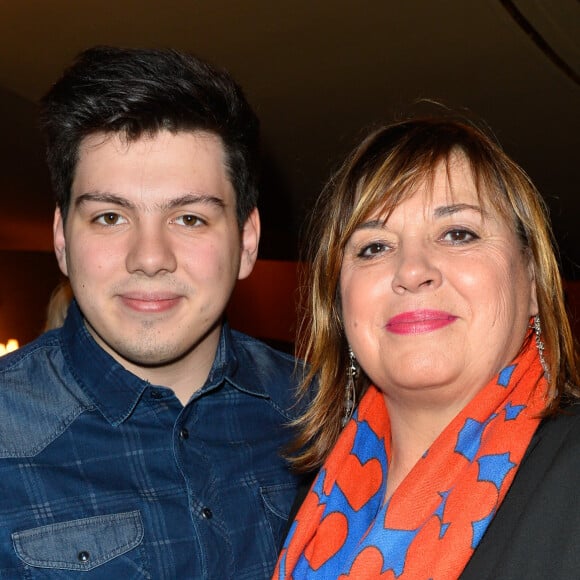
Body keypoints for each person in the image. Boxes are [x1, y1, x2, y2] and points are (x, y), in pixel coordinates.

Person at [0, 46, 306, 579]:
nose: (149, 258)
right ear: (61, 239)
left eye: (189, 218)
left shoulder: (324, 415)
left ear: (248, 241)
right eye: (110, 216)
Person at [274, 115, 580, 579]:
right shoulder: (309, 500)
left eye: (459, 233)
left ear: (534, 283)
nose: (411, 270)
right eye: (374, 247)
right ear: (339, 306)